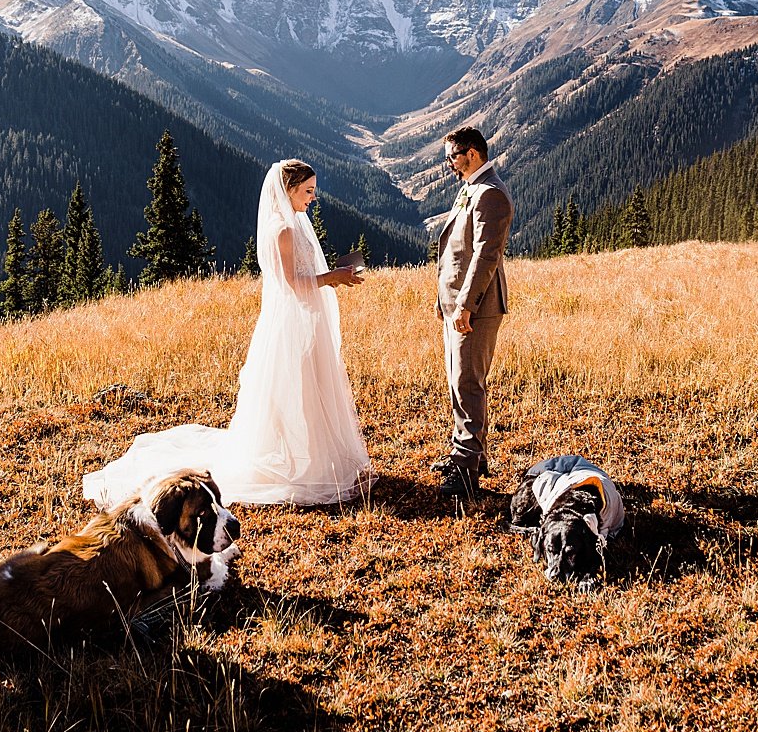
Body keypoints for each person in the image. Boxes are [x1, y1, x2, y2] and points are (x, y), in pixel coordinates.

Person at [83, 159, 374, 506]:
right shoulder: (282, 229)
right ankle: (299, 465)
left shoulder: (295, 222)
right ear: (290, 190)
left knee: (311, 388)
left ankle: (312, 458)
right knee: (295, 391)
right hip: (291, 324)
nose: (313, 198)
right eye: (308, 191)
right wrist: (332, 278)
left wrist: (333, 273)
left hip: (306, 319)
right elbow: (293, 284)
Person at [431, 126, 513, 498]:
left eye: (453, 156)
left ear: (473, 154)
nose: (448, 164)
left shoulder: (491, 194)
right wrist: (445, 299)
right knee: (458, 380)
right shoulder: (472, 187)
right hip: (457, 304)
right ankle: (467, 455)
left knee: (468, 382)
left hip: (475, 307)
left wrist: (465, 304)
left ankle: (466, 471)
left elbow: (485, 255)